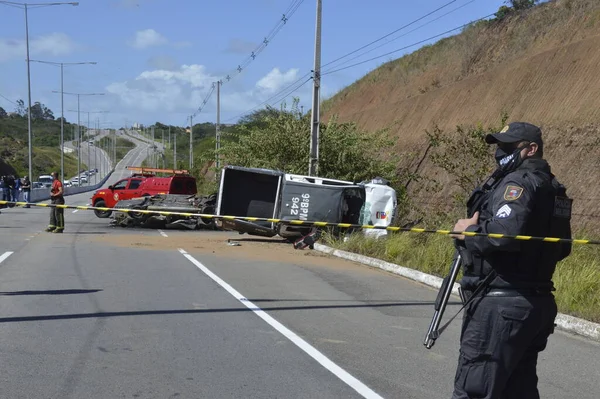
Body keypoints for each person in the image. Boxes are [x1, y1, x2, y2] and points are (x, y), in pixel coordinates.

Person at [450, 122, 572, 399]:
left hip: (501, 304)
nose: (499, 152)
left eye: (507, 146)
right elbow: (562, 248)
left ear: (531, 149)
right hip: (536, 303)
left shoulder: (517, 182)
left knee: (476, 388)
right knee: (518, 389)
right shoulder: (554, 188)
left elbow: (504, 235)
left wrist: (467, 232)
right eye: (499, 146)